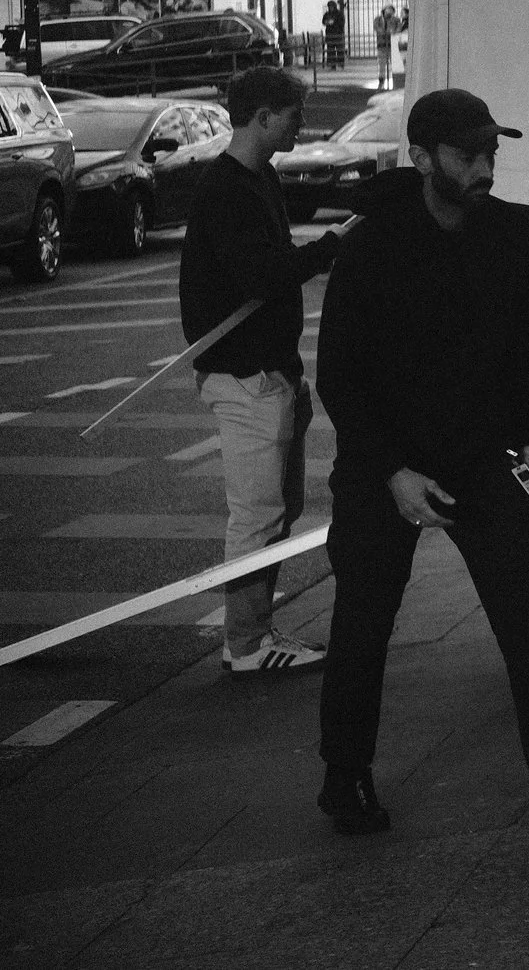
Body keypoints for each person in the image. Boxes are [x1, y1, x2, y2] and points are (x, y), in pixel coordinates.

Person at [313, 88, 529, 854]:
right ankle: (343, 774)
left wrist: (526, 436)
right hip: (386, 465)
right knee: (364, 624)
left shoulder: (505, 227)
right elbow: (339, 376)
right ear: (422, 158)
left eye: (492, 151)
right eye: (467, 153)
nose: (484, 166)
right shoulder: (372, 243)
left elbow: (512, 346)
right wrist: (392, 472)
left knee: (528, 628)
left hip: (482, 458)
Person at [180, 67, 346, 675]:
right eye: (296, 111)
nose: (302, 121)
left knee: (278, 509)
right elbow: (262, 276)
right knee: (257, 516)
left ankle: (256, 631)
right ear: (264, 117)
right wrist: (329, 250)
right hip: (246, 378)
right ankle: (246, 645)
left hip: (274, 372)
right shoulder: (225, 191)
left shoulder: (261, 179)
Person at [322, 0, 345, 69]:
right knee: (331, 50)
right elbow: (323, 21)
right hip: (329, 34)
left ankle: (341, 63)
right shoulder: (327, 14)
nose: (330, 8)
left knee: (339, 49)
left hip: (338, 34)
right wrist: (327, 22)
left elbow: (342, 23)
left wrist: (334, 23)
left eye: (332, 6)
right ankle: (332, 64)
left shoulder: (339, 13)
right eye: (329, 6)